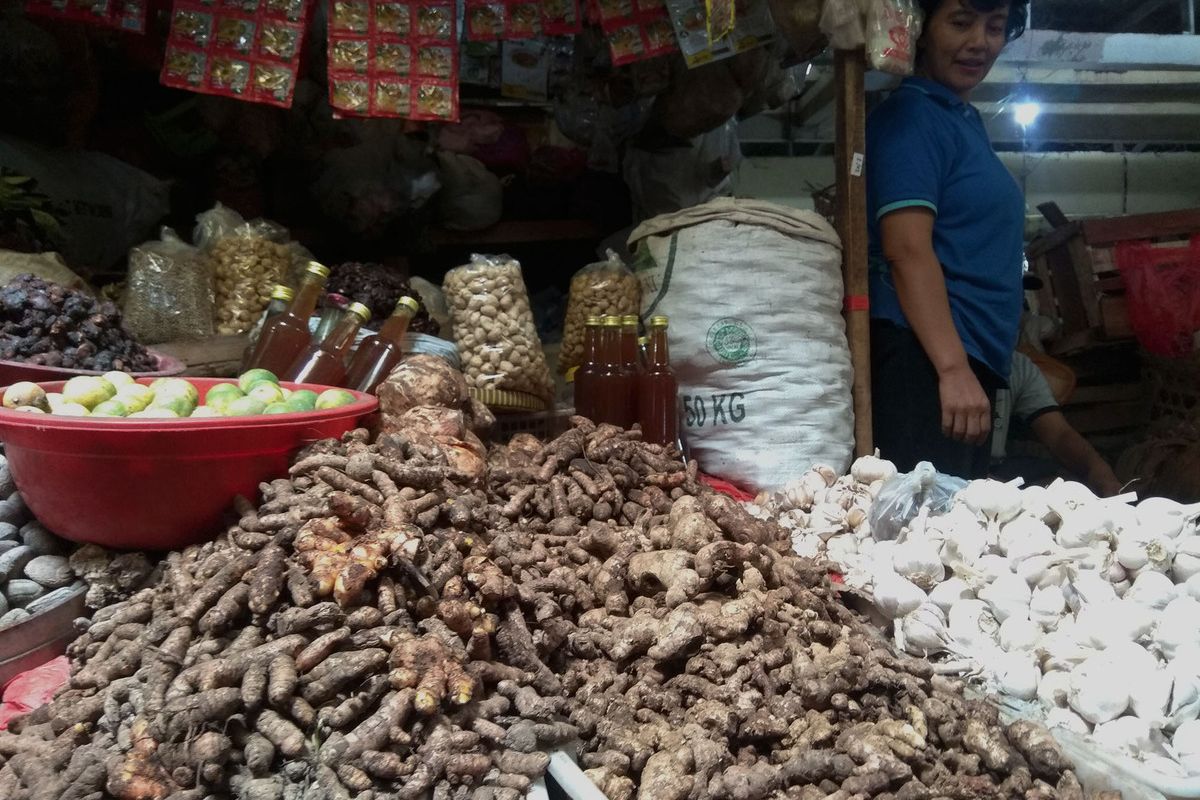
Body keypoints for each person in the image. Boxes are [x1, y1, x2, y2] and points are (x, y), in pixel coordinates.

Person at [866, 0, 1029, 478]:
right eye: (961, 23)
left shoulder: (960, 119)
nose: (980, 41)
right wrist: (953, 370)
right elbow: (907, 249)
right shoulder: (912, 118)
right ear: (920, 30)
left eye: (995, 27)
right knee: (925, 530)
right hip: (925, 361)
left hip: (957, 358)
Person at [991, 351, 1124, 497]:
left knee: (1063, 481)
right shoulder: (962, 370)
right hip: (968, 478)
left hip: (1001, 468)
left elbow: (1059, 435)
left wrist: (1097, 469)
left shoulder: (1017, 366)